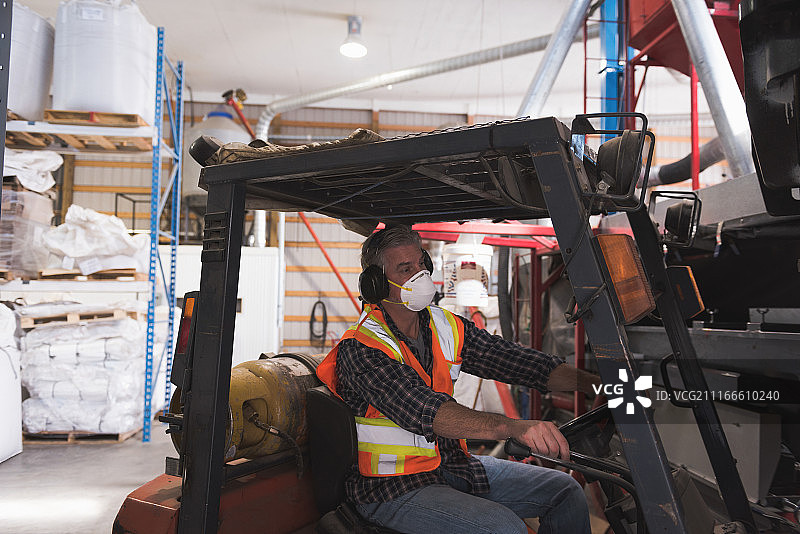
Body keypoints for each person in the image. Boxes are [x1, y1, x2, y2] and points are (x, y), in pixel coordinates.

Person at [316, 225, 601, 534]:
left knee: (565, 492)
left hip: (448, 465)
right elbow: (427, 411)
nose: (420, 275)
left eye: (421, 263)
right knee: (503, 528)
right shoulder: (361, 348)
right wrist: (513, 427)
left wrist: (597, 384)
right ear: (376, 285)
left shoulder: (443, 324)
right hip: (391, 489)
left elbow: (518, 362)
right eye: (405, 269)